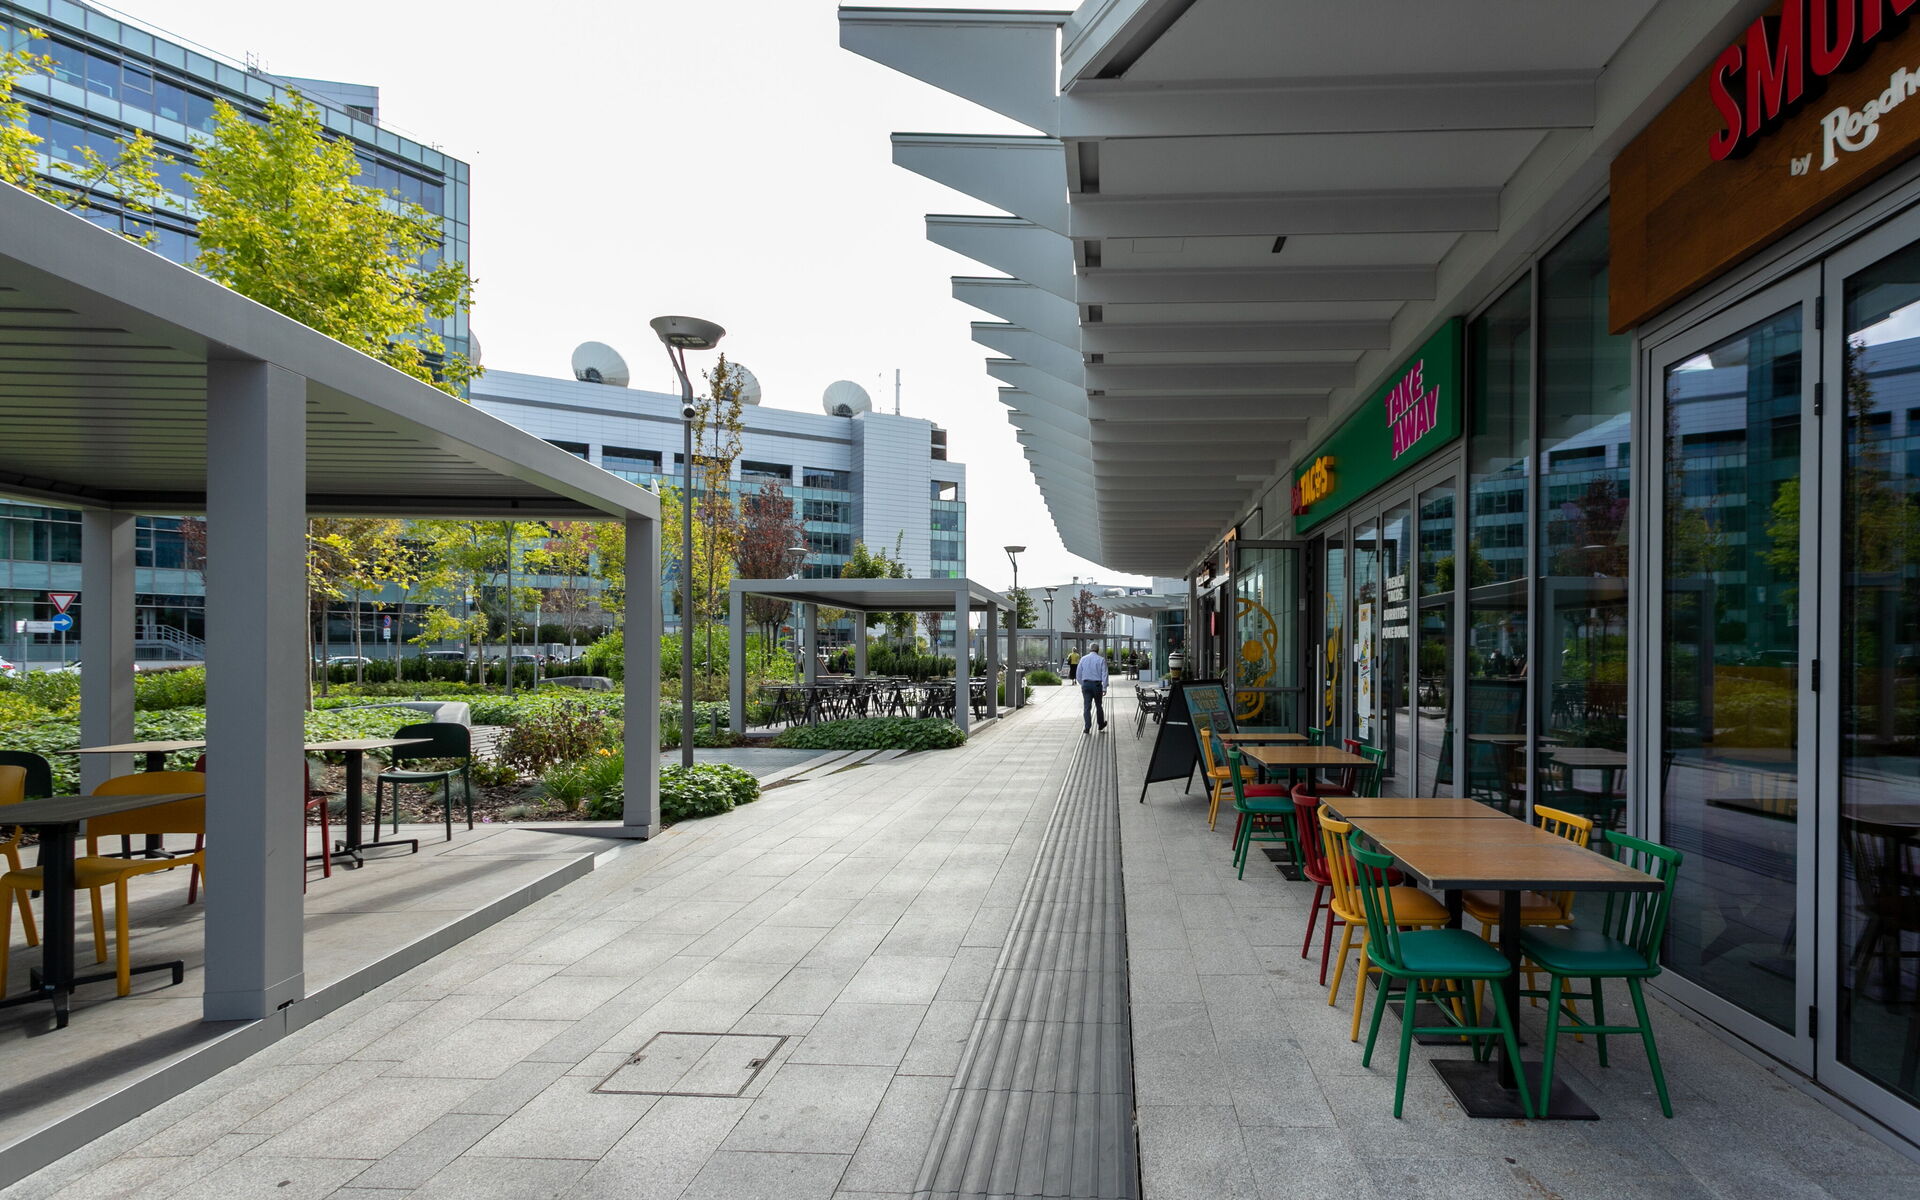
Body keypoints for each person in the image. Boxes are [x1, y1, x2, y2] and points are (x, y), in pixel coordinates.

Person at [1078, 645, 1109, 733]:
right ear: (1098, 650)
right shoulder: (1101, 659)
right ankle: (1101, 724)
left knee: (1087, 707)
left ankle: (1087, 727)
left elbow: (1078, 674)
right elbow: (1104, 674)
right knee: (1098, 705)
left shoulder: (1083, 659)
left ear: (1090, 649)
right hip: (1097, 685)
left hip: (1086, 685)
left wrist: (1083, 683)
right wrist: (1104, 687)